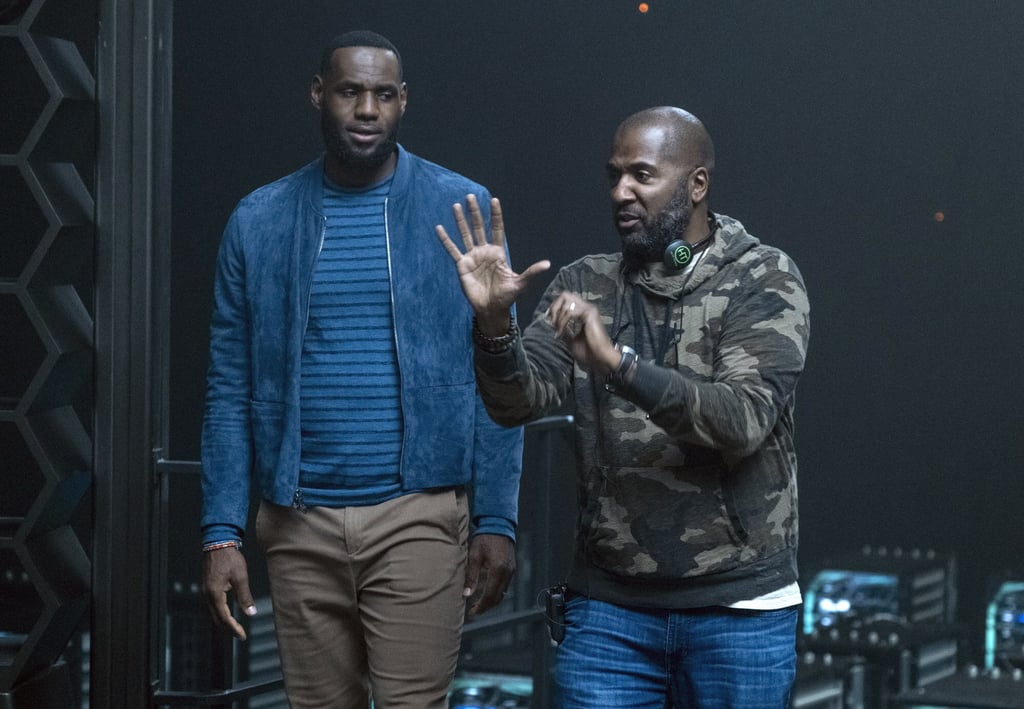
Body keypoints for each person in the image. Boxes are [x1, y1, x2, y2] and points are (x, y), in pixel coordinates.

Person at [437, 106, 810, 707]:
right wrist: (494, 324)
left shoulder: (764, 278)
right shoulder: (584, 284)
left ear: (696, 184)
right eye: (614, 175)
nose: (620, 192)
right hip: (609, 613)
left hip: (739, 610)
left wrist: (619, 365)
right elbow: (516, 403)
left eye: (642, 175)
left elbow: (741, 420)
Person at [200, 30, 524, 709]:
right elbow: (229, 388)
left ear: (403, 101)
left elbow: (498, 378)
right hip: (298, 521)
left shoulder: (459, 207)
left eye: (383, 94)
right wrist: (221, 531)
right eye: (350, 91)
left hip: (418, 515)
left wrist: (496, 518)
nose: (367, 109)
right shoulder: (258, 221)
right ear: (319, 94)